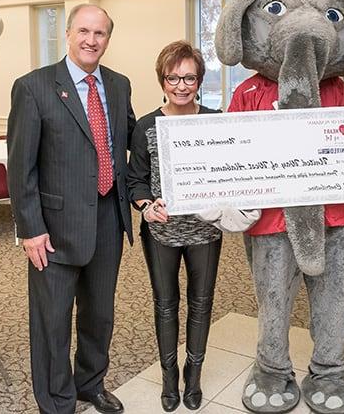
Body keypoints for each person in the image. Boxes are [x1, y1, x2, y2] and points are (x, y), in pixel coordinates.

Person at [7, 4, 135, 414]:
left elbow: (132, 138)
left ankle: (89, 384)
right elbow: (20, 166)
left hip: (107, 220)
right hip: (53, 229)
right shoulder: (34, 87)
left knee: (100, 315)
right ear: (67, 34)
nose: (90, 40)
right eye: (83, 31)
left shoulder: (118, 85)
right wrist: (30, 229)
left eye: (99, 34)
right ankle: (57, 401)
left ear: (108, 40)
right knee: (53, 322)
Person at [127, 40, 222, 412]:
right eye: (173, 78)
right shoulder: (147, 126)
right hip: (162, 232)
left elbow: (227, 173)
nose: (181, 86)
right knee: (166, 305)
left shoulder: (214, 121)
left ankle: (192, 376)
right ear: (162, 80)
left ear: (199, 80)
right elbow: (135, 180)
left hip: (205, 232)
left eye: (189, 78)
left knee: (202, 304)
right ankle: (169, 380)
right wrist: (146, 206)